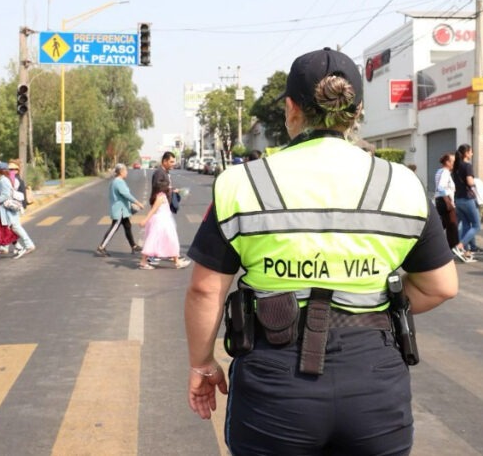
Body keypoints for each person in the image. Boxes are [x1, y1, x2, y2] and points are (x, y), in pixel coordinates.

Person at [183, 48, 458, 454]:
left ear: (291, 108)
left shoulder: (242, 183)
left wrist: (202, 363)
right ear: (357, 110)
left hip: (274, 382)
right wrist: (376, 305)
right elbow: (441, 286)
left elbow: (207, 291)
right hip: (373, 380)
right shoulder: (400, 183)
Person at [138, 174, 189, 270]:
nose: (169, 187)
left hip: (165, 221)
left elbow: (172, 191)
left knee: (167, 240)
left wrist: (178, 191)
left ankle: (176, 261)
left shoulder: (163, 195)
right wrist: (145, 220)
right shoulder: (160, 197)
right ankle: (176, 262)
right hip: (161, 222)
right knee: (162, 240)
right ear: (163, 188)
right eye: (168, 186)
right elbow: (153, 210)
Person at [95, 164, 145, 257]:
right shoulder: (118, 182)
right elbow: (126, 195)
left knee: (127, 226)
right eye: (125, 171)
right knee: (114, 228)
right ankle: (101, 247)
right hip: (120, 210)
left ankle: (133, 246)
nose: (127, 172)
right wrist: (138, 203)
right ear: (121, 172)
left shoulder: (118, 181)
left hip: (122, 210)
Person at [433, 152, 473, 263]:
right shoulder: (445, 172)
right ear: (447, 162)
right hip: (445, 201)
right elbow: (441, 187)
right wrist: (448, 201)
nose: (454, 164)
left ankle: (435, 246)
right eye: (453, 162)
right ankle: (454, 248)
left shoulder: (440, 171)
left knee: (443, 225)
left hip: (441, 200)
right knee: (452, 226)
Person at [0, 161, 35, 259]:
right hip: (13, 206)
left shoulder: (5, 180)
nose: (12, 171)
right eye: (11, 169)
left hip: (9, 207)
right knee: (12, 227)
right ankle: (11, 246)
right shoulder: (12, 178)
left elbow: (6, 194)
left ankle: (28, 245)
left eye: (14, 169)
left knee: (15, 227)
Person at [452, 143, 483, 256]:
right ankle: (460, 246)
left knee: (466, 224)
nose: (472, 153)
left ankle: (466, 251)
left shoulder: (455, 167)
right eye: (471, 151)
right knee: (476, 226)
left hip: (458, 199)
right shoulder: (467, 166)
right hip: (467, 199)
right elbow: (470, 182)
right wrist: (477, 184)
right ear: (466, 153)